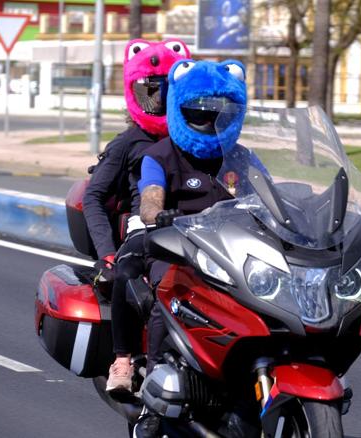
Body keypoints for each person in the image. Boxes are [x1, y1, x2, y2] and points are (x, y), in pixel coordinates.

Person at [132, 59, 250, 438]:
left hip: (230, 251)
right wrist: (159, 215)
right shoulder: (161, 155)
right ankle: (151, 399)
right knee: (166, 300)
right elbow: (149, 198)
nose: (209, 116)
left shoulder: (242, 158)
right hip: (176, 247)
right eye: (200, 109)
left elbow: (270, 195)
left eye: (220, 110)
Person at [81, 38, 190, 393]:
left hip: (194, 232)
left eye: (167, 88)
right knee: (128, 276)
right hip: (145, 230)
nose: (158, 97)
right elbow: (94, 196)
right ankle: (123, 359)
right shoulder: (128, 142)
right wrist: (106, 254)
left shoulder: (194, 137)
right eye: (150, 88)